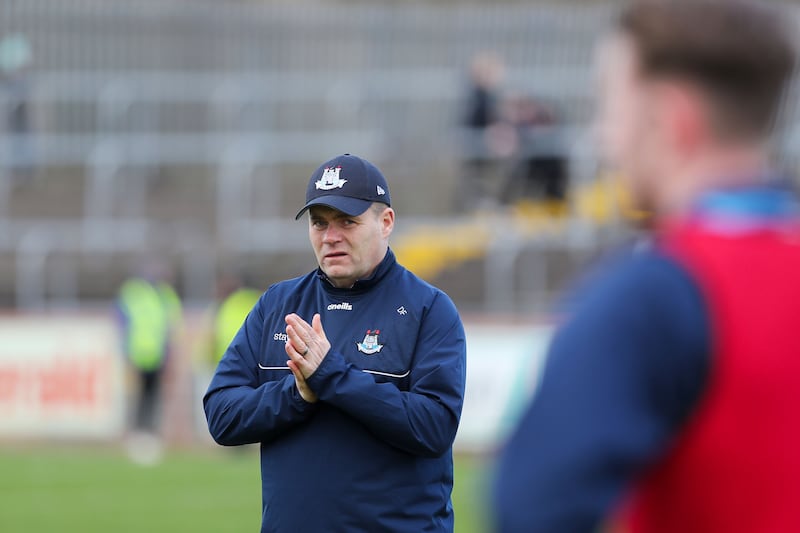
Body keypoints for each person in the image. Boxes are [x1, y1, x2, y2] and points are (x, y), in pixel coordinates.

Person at [493, 2, 799, 532]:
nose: (600, 137)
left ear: (669, 119)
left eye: (608, 106)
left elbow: (530, 509)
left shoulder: (654, 293)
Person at [204, 153, 467, 532]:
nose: (331, 237)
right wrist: (297, 396)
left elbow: (434, 427)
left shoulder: (429, 308)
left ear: (386, 222)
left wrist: (332, 376)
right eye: (319, 223)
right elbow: (221, 415)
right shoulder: (278, 304)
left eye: (348, 221)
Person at [116, 269, 182, 464]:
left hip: (154, 356)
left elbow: (170, 329)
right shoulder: (140, 294)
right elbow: (122, 322)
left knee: (152, 398)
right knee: (140, 398)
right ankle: (137, 436)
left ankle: (150, 437)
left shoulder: (162, 296)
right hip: (139, 355)